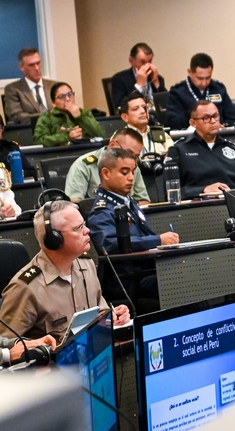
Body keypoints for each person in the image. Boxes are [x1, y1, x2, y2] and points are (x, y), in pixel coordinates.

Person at [0, 201, 131, 340]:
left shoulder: (87, 265)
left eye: (84, 224)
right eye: (78, 228)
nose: (87, 231)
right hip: (55, 361)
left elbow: (100, 310)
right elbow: (5, 344)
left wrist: (113, 317)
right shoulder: (26, 287)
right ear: (54, 239)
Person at [87, 147, 179, 254]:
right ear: (106, 174)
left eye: (133, 172)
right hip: (130, 269)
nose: (131, 178)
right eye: (125, 172)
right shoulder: (102, 211)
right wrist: (158, 240)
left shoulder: (128, 202)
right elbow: (110, 245)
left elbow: (144, 234)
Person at [167, 101, 235, 199]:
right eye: (206, 118)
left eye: (215, 116)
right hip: (197, 208)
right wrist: (203, 190)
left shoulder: (233, 149)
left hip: (234, 204)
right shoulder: (179, 150)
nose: (213, 121)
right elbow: (171, 193)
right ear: (193, 123)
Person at [65, 128, 150, 204]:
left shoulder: (133, 165)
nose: (131, 159)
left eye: (135, 157)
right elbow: (74, 203)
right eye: (128, 153)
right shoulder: (83, 165)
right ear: (112, 145)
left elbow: (144, 201)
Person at [165, 53, 235, 130]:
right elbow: (174, 122)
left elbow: (233, 119)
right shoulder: (178, 92)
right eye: (200, 78)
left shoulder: (218, 89)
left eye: (208, 78)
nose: (204, 82)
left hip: (218, 136)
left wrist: (223, 125)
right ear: (190, 72)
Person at [33, 82, 103, 147]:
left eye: (70, 94)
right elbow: (39, 141)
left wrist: (80, 117)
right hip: (59, 155)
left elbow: (100, 135)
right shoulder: (46, 118)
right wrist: (67, 136)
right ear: (53, 103)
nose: (67, 99)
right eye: (61, 97)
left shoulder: (84, 113)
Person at [3, 47, 58, 124]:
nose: (37, 68)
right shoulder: (13, 89)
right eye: (31, 65)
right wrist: (49, 116)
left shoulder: (54, 86)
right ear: (22, 67)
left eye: (38, 63)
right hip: (30, 132)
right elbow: (16, 116)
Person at [109, 42, 167, 112]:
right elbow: (122, 107)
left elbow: (167, 106)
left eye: (149, 61)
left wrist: (157, 83)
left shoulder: (158, 78)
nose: (147, 66)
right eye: (142, 62)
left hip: (156, 120)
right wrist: (139, 85)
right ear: (131, 61)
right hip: (135, 121)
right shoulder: (119, 79)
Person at [120, 91, 173, 156]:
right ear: (125, 117)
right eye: (135, 109)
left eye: (144, 107)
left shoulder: (159, 133)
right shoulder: (121, 137)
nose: (142, 111)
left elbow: (173, 154)